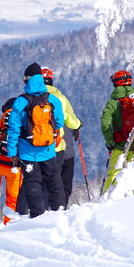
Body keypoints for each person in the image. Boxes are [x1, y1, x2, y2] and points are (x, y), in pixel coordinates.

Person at [6, 63, 65, 217]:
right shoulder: (52, 99)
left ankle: (38, 216)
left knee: (33, 183)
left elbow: (13, 129)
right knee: (54, 181)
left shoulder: (20, 102)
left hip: (27, 153)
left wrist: (12, 152)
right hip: (48, 150)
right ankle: (59, 211)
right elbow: (59, 122)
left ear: (27, 79)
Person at [41, 67, 82, 207]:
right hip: (63, 146)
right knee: (63, 181)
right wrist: (78, 125)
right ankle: (61, 207)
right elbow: (73, 121)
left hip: (40, 148)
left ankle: (43, 209)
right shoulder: (61, 98)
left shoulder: (31, 99)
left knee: (46, 182)